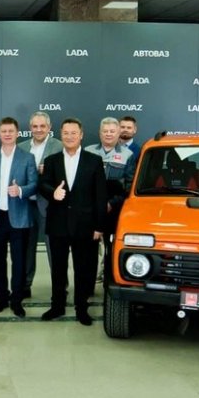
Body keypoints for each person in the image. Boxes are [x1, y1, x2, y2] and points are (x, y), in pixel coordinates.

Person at [38, 118, 107, 326]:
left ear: (81, 135)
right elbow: (43, 184)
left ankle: (81, 308)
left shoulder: (93, 161)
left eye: (73, 133)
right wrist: (53, 192)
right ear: (60, 135)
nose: (69, 137)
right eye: (66, 133)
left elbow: (100, 196)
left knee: (83, 269)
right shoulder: (51, 160)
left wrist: (99, 226)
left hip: (85, 225)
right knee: (58, 269)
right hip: (58, 223)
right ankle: (57, 306)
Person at [0, 118, 37, 318]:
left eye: (11, 131)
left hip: (19, 217)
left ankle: (16, 301)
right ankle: (1, 298)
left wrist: (20, 190)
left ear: (17, 133)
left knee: (19, 262)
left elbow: (34, 184)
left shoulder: (28, 157)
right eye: (4, 131)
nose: (7, 134)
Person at [17, 111, 63, 299]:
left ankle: (60, 288)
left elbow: (66, 175)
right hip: (25, 206)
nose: (38, 129)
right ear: (30, 128)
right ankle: (25, 286)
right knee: (26, 248)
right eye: (35, 126)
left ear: (49, 128)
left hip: (50, 206)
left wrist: (49, 170)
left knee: (55, 249)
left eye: (42, 126)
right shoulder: (20, 147)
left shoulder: (59, 146)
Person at [85, 118, 134, 283]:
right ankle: (87, 286)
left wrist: (112, 203)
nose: (108, 134)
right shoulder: (88, 151)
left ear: (118, 133)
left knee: (111, 248)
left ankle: (109, 282)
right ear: (100, 133)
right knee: (88, 250)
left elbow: (129, 186)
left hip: (113, 210)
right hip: (90, 209)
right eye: (105, 131)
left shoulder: (128, 155)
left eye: (112, 131)